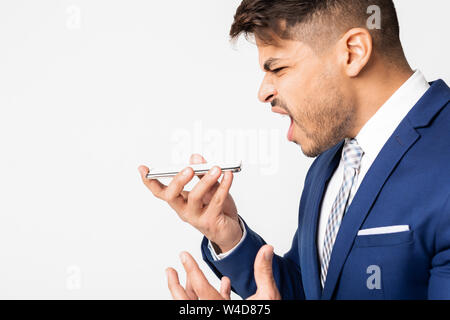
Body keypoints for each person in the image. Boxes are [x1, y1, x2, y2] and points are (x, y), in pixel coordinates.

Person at [138, 0, 450, 299]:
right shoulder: (328, 166)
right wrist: (227, 234)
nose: (263, 92)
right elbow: (309, 290)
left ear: (353, 53)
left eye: (278, 69)